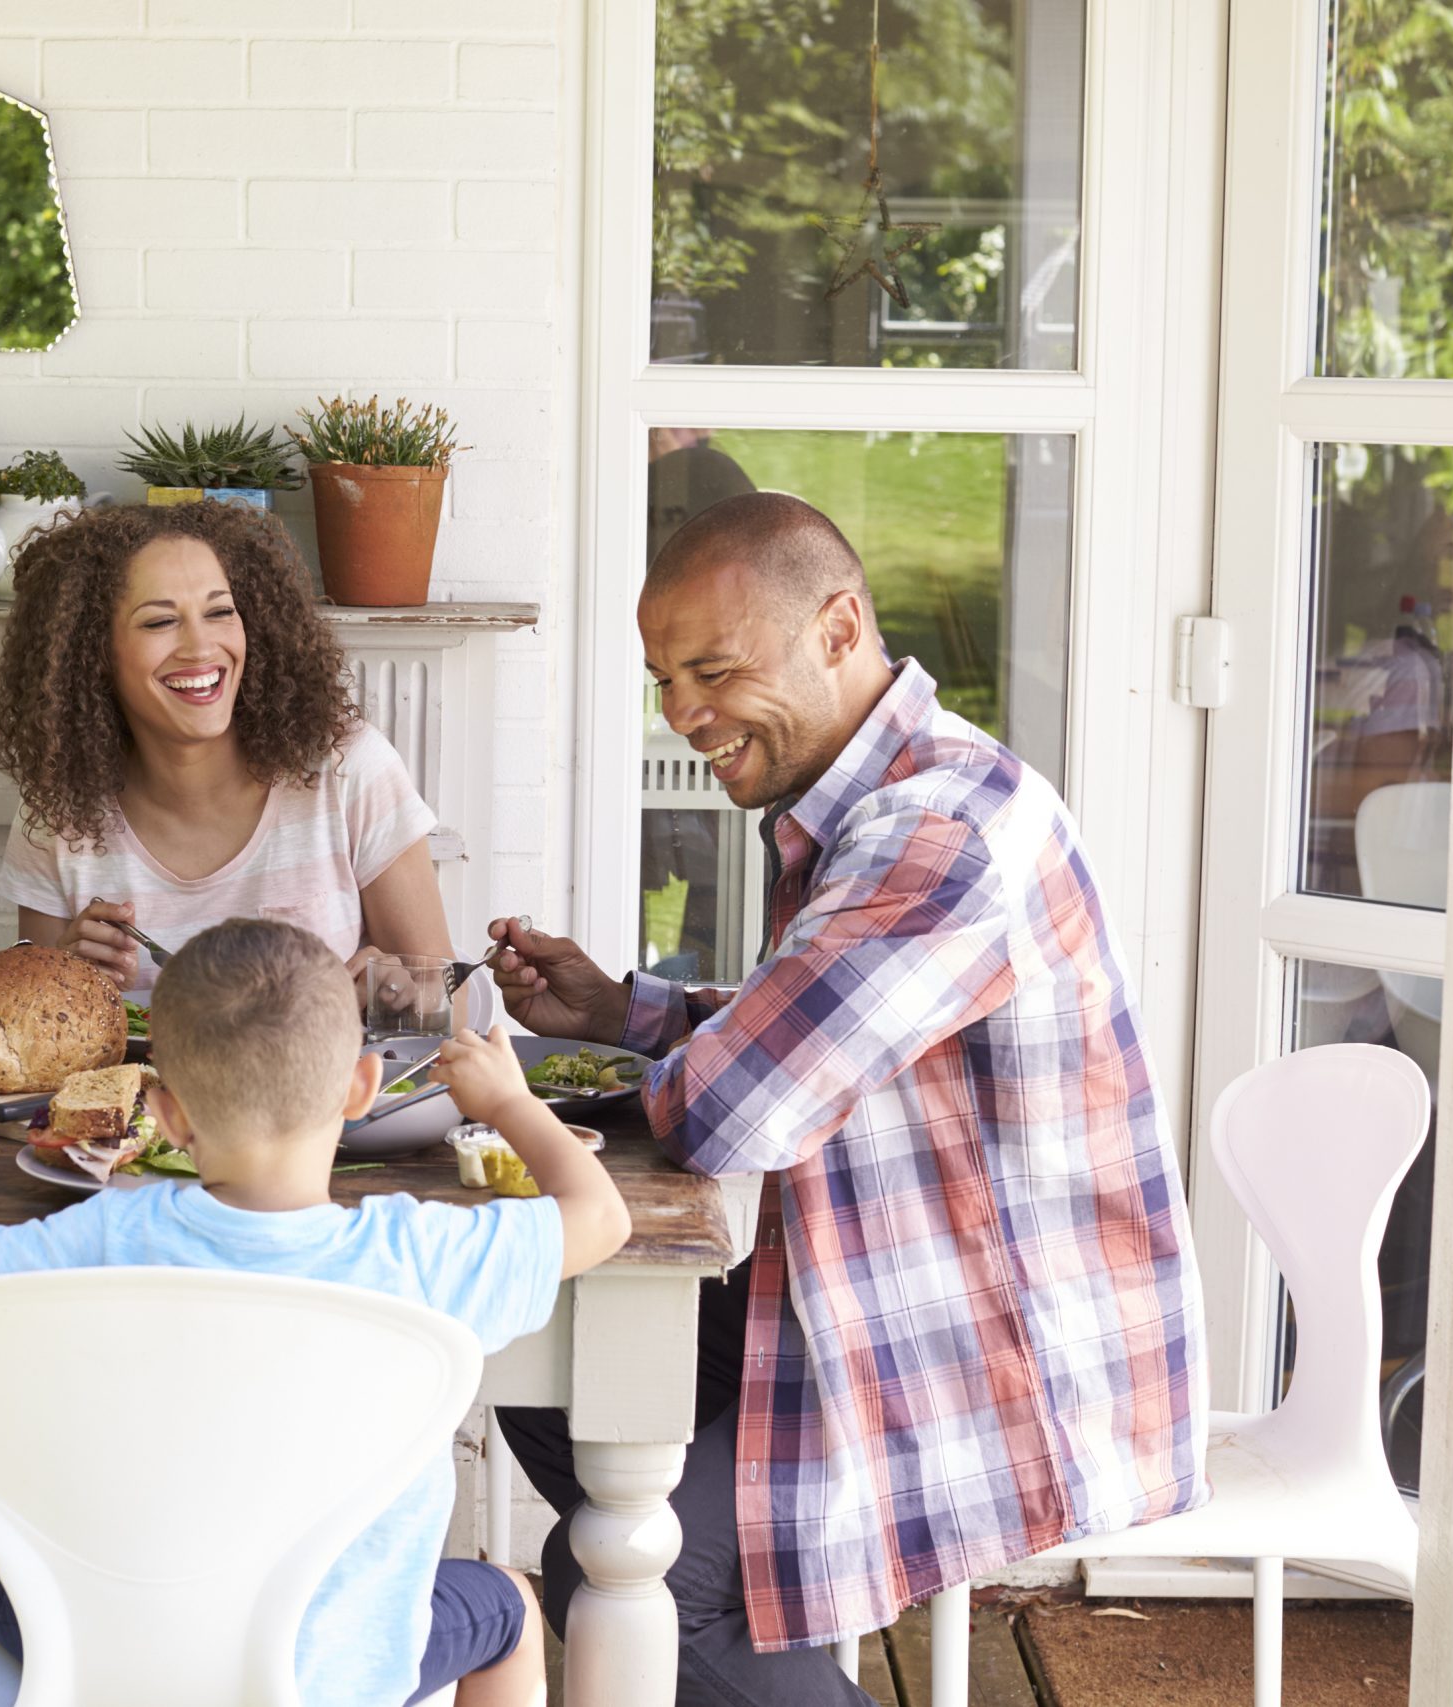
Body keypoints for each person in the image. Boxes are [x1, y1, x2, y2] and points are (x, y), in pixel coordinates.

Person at [487, 492, 1207, 1706]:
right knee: (552, 1365)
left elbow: (737, 1111)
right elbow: (821, 1031)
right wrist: (626, 1011)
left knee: (641, 1576)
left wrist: (539, 1090)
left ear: (837, 627)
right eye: (663, 679)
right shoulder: (879, 804)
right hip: (874, 1291)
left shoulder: (937, 831)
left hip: (984, 1343)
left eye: (711, 670)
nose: (682, 714)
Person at [0, 918, 632, 1707]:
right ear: (362, 1087)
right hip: (332, 1679)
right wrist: (511, 1103)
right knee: (512, 1606)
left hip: (123, 1661)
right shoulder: (414, 1256)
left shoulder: (113, 1233)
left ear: (167, 1113)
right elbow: (602, 1216)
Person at [0, 501, 453, 998]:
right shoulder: (58, 814)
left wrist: (396, 995)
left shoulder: (348, 771)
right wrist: (65, 979)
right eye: (159, 622)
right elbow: (35, 1040)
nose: (202, 647)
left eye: (219, 612)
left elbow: (453, 1002)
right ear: (94, 653)